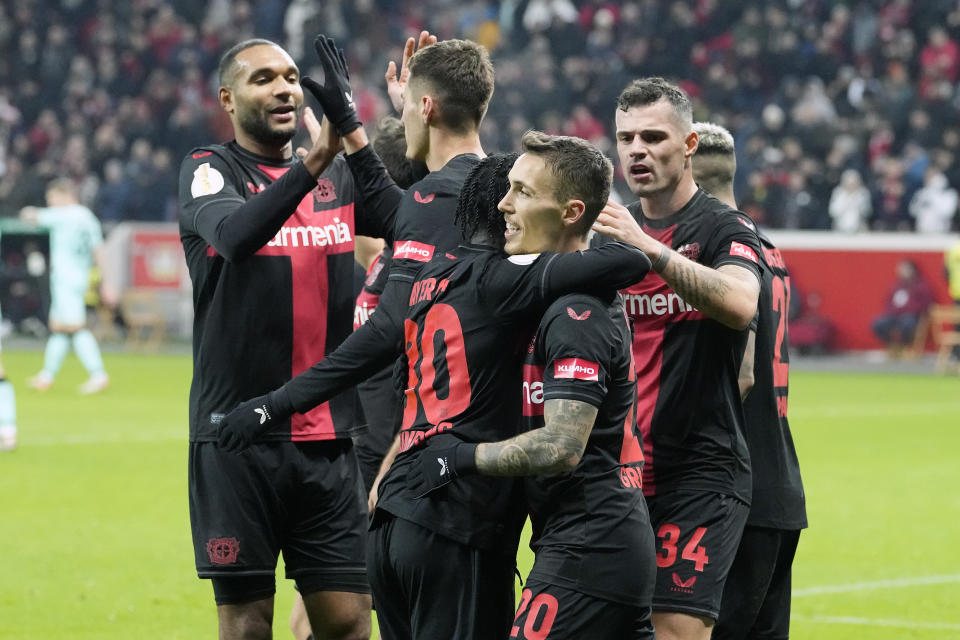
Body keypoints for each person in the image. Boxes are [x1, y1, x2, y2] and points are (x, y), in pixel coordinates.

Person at [218, 134, 653, 638]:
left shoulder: (432, 278)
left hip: (400, 507)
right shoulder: (513, 283)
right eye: (507, 192)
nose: (507, 204)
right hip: (457, 519)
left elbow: (377, 354)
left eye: (522, 193)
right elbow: (629, 264)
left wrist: (273, 407)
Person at [177, 38, 395, 640]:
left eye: (293, 77)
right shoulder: (208, 169)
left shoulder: (339, 181)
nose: (284, 88)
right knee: (248, 626)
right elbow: (236, 235)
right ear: (228, 98)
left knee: (350, 622)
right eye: (263, 78)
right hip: (237, 437)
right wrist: (314, 161)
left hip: (329, 440)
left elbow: (412, 215)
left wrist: (380, 125)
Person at [411, 133, 657, 638]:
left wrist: (460, 457)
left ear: (570, 212)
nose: (503, 203)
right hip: (588, 540)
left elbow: (562, 447)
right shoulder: (553, 299)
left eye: (522, 192)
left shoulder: (577, 313)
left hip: (591, 545)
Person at [592, 77, 762, 640]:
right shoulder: (603, 233)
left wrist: (651, 249)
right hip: (616, 471)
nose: (637, 149)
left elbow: (739, 304)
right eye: (626, 138)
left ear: (689, 146)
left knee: (674, 631)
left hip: (699, 472)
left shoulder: (724, 228)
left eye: (653, 136)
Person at [691, 122, 808, 640]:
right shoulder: (768, 249)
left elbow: (741, 373)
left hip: (731, 490)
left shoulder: (721, 252)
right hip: (780, 484)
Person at [20, 178, 111, 395]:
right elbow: (99, 249)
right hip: (79, 276)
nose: (50, 203)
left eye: (51, 198)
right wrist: (104, 280)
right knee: (59, 327)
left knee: (75, 327)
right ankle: (46, 376)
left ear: (63, 194)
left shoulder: (65, 215)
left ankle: (98, 375)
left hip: (66, 279)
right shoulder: (88, 217)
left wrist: (28, 209)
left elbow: (30, 215)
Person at [871, 259, 934, 354]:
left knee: (907, 323)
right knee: (879, 324)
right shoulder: (897, 286)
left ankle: (905, 347)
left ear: (912, 270)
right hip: (894, 315)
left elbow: (926, 304)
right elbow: (888, 301)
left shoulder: (921, 286)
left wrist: (911, 310)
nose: (902, 272)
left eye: (905, 269)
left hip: (912, 316)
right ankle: (893, 346)